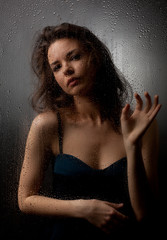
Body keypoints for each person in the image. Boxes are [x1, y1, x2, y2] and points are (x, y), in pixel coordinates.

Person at [18, 23, 161, 239]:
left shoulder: (139, 124)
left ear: (95, 58)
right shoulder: (47, 125)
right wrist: (83, 209)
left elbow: (145, 214)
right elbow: (25, 199)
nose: (66, 69)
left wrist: (131, 145)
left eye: (74, 57)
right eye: (56, 67)